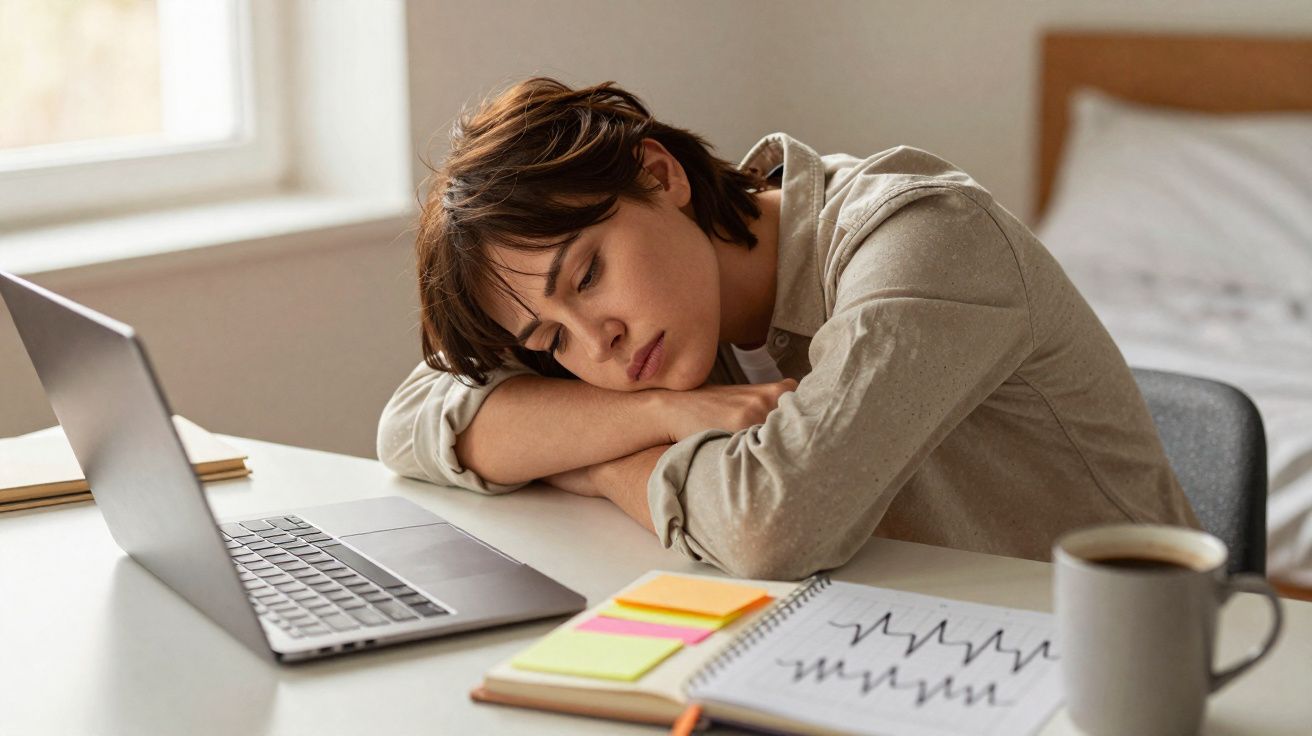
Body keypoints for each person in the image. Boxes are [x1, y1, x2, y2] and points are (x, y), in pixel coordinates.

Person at [377, 76, 1200, 580]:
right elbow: (412, 422)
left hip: (1136, 670)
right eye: (551, 342)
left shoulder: (924, 237)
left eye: (588, 275)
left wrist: (590, 467)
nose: (600, 345)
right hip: (883, 644)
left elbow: (769, 524)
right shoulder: (658, 339)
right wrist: (658, 417)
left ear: (660, 176)